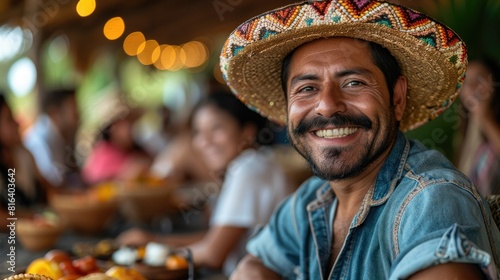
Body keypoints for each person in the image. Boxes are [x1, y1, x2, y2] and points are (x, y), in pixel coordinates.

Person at [219, 0, 500, 279]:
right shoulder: (312, 199)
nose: (327, 106)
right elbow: (252, 268)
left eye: (354, 83)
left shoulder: (431, 200)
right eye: (307, 88)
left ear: (397, 98)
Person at [117, 91, 293, 275]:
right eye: (199, 132)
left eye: (216, 129)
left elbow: (213, 254)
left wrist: (149, 254)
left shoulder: (250, 168)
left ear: (247, 131)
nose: (205, 141)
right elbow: (215, 238)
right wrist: (152, 240)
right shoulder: (251, 165)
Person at [0, 94, 55, 229]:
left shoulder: (23, 154)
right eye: (9, 119)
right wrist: (34, 219)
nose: (17, 123)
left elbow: (50, 190)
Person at [82, 101, 152, 184]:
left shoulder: (138, 152)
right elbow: (96, 181)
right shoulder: (103, 152)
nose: (129, 126)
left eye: (131, 121)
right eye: (124, 122)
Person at [23, 88, 82, 188]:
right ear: (55, 113)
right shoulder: (40, 139)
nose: (78, 116)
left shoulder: (58, 137)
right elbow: (54, 183)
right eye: (73, 110)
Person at [458, 57, 500, 195]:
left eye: (479, 79)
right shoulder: (466, 134)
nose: (471, 87)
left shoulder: (486, 122)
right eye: (465, 82)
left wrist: (484, 116)